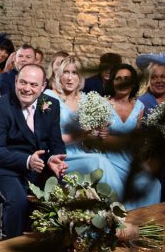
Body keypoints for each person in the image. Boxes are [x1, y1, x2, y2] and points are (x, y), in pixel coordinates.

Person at [0, 64, 68, 238]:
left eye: (33, 85)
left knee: (65, 196)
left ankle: (50, 245)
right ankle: (12, 246)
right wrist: (28, 160)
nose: (27, 89)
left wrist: (54, 158)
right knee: (18, 202)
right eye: (23, 82)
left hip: (41, 167)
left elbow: (56, 142)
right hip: (7, 168)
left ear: (43, 86)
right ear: (15, 81)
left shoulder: (51, 104)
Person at [46, 57, 122, 194]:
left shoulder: (88, 99)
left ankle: (125, 210)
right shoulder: (49, 97)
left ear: (80, 77)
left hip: (86, 151)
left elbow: (105, 122)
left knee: (106, 161)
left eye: (74, 73)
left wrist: (102, 131)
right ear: (59, 75)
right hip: (62, 155)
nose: (70, 78)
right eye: (66, 72)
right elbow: (46, 137)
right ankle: (124, 209)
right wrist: (81, 135)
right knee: (99, 162)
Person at [98, 64, 161, 210]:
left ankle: (144, 225)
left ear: (133, 83)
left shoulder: (139, 106)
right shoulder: (103, 104)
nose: (122, 82)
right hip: (108, 158)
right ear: (112, 82)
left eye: (126, 79)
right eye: (118, 78)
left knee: (154, 185)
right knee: (120, 190)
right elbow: (99, 139)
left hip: (129, 158)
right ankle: (124, 227)